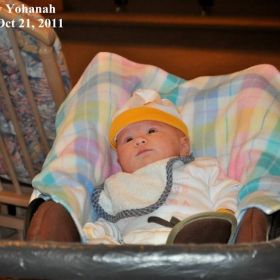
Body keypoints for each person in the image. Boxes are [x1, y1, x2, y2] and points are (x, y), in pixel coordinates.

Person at [82, 88, 241, 245]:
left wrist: (225, 211)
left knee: (201, 235)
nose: (139, 140)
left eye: (151, 131)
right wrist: (100, 234)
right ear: (119, 161)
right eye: (128, 139)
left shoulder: (202, 167)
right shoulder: (116, 186)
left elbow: (227, 190)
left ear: (183, 145)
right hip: (138, 250)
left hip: (195, 240)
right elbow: (113, 223)